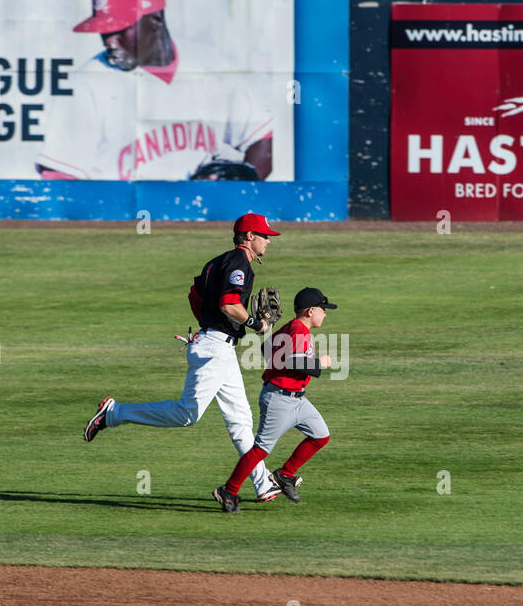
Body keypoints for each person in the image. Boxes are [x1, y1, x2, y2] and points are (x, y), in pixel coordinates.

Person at [84, 213, 283, 502]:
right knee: (186, 414)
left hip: (218, 347)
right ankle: (114, 413)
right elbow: (229, 304)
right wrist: (255, 324)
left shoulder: (216, 262)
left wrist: (209, 327)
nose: (268, 240)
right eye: (265, 235)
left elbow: (195, 296)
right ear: (249, 236)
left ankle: (263, 483)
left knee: (241, 420)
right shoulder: (240, 263)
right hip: (215, 349)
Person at [36, 0, 274, 182]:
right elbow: (59, 180)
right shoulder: (86, 83)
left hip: (200, 223)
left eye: (119, 29)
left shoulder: (210, 66)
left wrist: (247, 177)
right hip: (120, 223)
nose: (110, 41)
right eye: (104, 31)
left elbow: (262, 139)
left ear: (156, 20)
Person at [213, 288, 337, 513]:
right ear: (311, 311)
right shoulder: (299, 331)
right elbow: (297, 363)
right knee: (260, 449)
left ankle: (285, 475)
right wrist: (322, 364)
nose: (325, 314)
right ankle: (228, 491)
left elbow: (264, 347)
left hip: (297, 399)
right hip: (279, 399)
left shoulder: (291, 327)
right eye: (323, 310)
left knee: (320, 435)